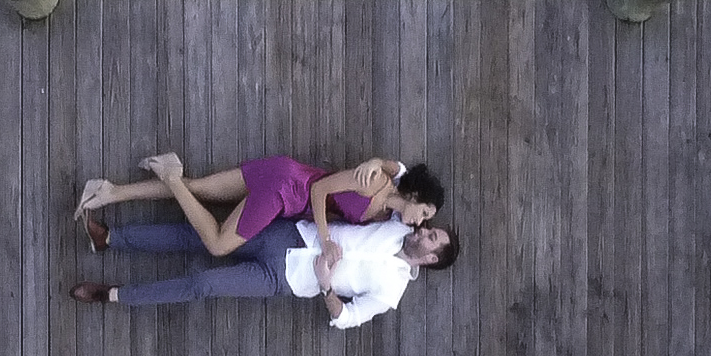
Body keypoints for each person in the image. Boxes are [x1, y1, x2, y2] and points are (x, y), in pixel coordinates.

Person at [69, 191, 460, 327]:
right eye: (429, 227)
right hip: (290, 233)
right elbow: (397, 177)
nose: (424, 232)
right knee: (201, 237)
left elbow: (345, 319)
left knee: (203, 285)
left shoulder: (391, 292)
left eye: (431, 238)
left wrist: (326, 284)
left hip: (283, 279)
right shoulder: (397, 226)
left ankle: (115, 295)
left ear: (429, 260)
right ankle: (112, 239)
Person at [74, 153, 443, 258]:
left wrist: (388, 161)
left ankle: (111, 192)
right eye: (424, 213)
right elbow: (320, 193)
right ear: (415, 197)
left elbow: (403, 168)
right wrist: (327, 238)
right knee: (218, 245)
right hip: (288, 192)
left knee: (196, 190)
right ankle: (169, 174)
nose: (419, 222)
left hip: (281, 171)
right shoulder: (374, 182)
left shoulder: (385, 205)